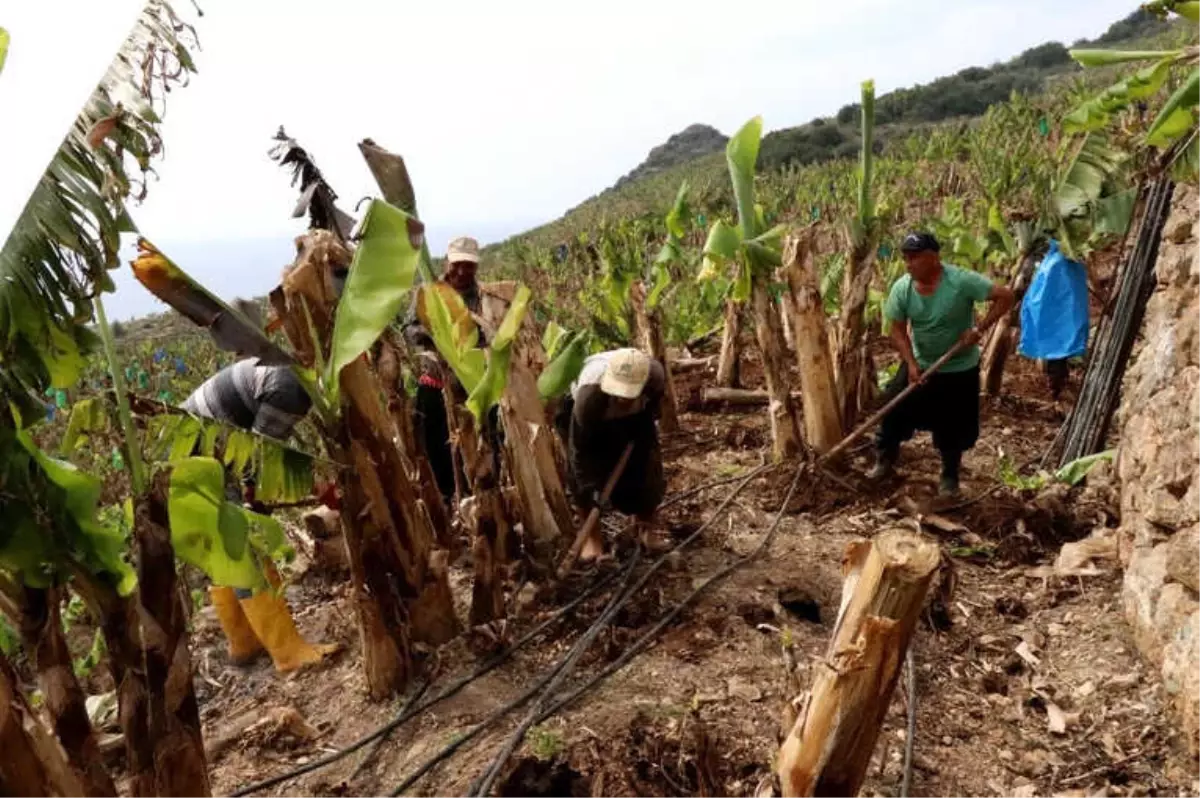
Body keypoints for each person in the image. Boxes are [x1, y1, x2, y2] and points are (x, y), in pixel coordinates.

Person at [181, 357, 336, 672]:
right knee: (244, 549)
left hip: (191, 449)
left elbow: (268, 447)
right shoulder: (289, 391)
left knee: (226, 551)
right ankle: (288, 653)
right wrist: (259, 497)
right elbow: (258, 457)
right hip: (202, 455)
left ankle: (245, 643)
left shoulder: (289, 376)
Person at [871, 232, 1015, 497]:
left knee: (954, 425)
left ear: (933, 258)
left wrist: (979, 330)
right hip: (922, 364)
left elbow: (1006, 296)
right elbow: (897, 330)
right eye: (906, 258)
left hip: (959, 368)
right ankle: (884, 462)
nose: (908, 263)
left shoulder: (960, 281)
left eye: (914, 257)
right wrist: (911, 363)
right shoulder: (902, 288)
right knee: (893, 411)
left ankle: (949, 475)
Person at [556, 348, 667, 561]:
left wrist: (638, 438)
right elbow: (581, 453)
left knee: (647, 466)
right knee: (580, 478)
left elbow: (651, 416)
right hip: (583, 417)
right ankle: (593, 541)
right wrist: (593, 488)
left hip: (635, 416)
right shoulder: (588, 399)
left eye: (629, 393)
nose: (622, 397)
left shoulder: (655, 378)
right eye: (619, 392)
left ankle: (644, 528)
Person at [403, 235, 484, 505]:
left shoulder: (482, 296)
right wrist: (432, 333)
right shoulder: (427, 293)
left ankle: (477, 493)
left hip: (471, 385)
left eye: (469, 266)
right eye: (457, 264)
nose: (462, 271)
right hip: (436, 380)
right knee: (435, 442)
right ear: (447, 261)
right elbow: (409, 328)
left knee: (474, 442)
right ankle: (446, 496)